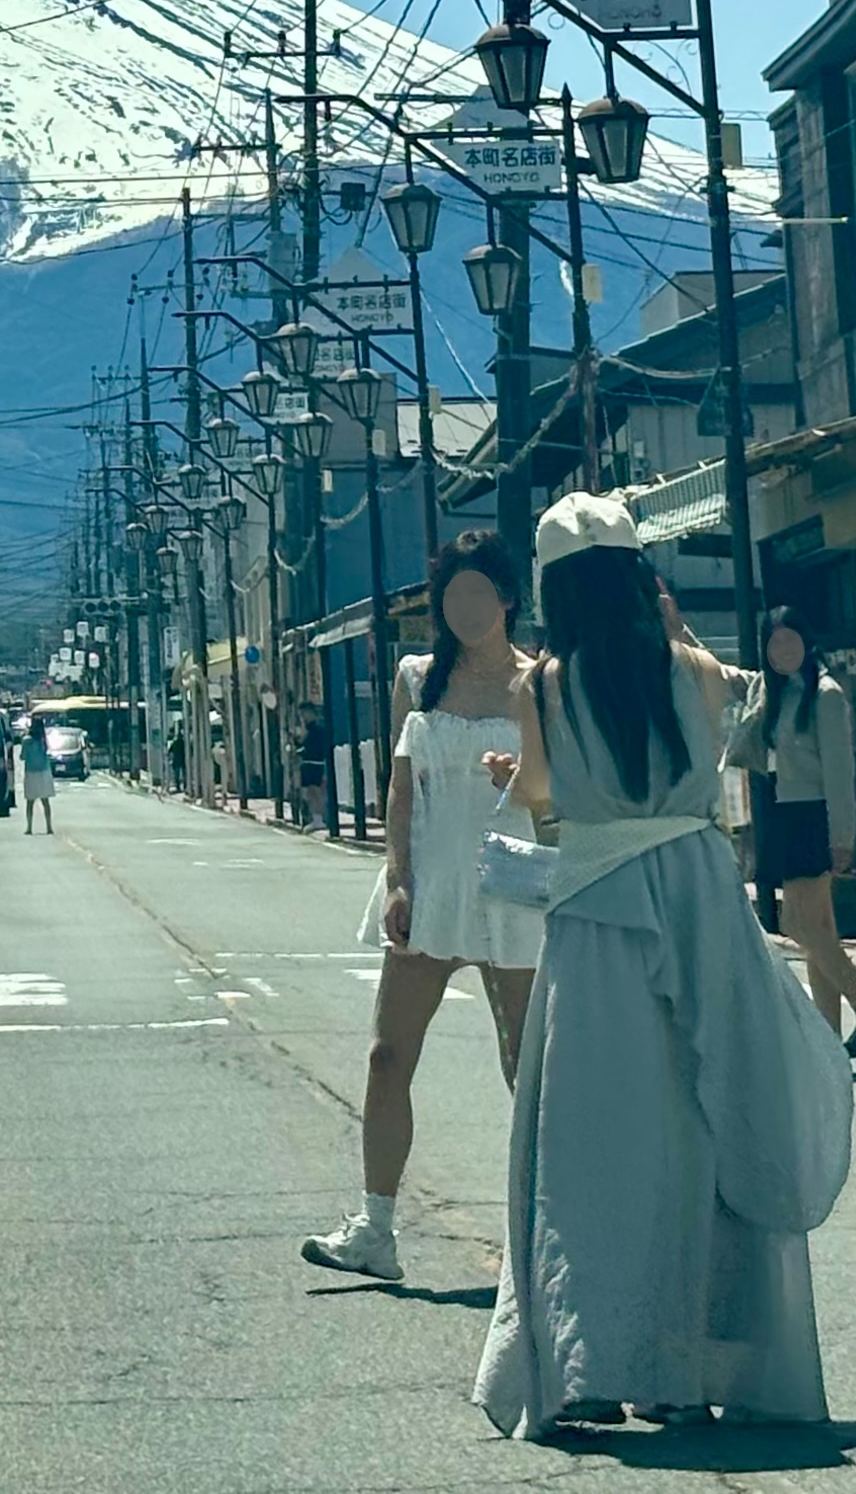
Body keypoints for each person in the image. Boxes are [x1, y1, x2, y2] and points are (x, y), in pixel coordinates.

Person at [476, 492, 852, 1437]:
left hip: (599, 907)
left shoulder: (545, 684)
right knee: (704, 1120)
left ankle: (592, 1361)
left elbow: (543, 797)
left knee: (592, 1139)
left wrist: (505, 778)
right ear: (641, 577)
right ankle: (687, 1368)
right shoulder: (697, 670)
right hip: (698, 900)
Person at [301, 529, 543, 1286]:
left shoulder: (541, 682)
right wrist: (397, 878)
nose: (466, 607)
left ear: (507, 598)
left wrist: (521, 777)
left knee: (526, 1065)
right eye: (453, 594)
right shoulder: (418, 677)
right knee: (386, 1053)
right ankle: (375, 1226)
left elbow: (557, 788)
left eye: (480, 592)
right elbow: (401, 791)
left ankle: (546, 1234)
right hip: (431, 886)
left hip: (513, 888)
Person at [724, 606, 856, 1058]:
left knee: (799, 924)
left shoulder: (825, 694)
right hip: (782, 811)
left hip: (812, 816)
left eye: (791, 639)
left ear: (807, 641)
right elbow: (724, 673)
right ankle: (828, 1037)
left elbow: (842, 775)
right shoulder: (773, 690)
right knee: (820, 928)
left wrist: (843, 838)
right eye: (774, 641)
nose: (783, 649)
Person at [20, 716, 55, 835]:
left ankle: (29, 827)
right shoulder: (43, 741)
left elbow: (22, 756)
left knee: (30, 802)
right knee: (45, 801)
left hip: (31, 772)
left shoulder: (26, 740)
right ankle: (49, 826)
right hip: (44, 771)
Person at [296, 709, 327, 832]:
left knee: (316, 791)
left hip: (315, 763)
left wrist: (301, 749)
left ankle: (319, 819)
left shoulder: (316, 730)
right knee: (310, 792)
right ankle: (316, 818)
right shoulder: (308, 729)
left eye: (305, 713)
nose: (304, 717)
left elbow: (310, 747)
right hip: (308, 763)